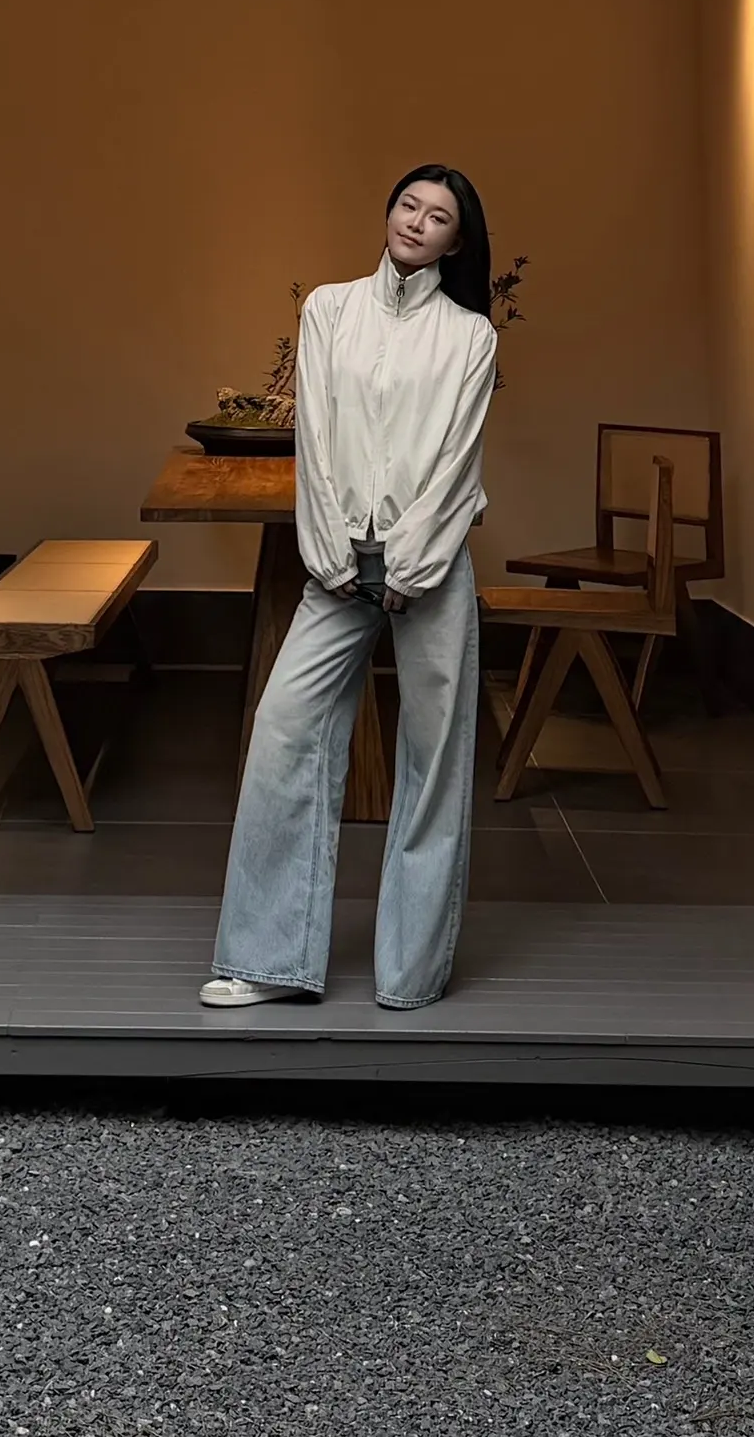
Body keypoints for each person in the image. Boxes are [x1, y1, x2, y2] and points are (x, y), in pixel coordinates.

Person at [201, 165, 498, 1013]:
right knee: (283, 734)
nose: (417, 221)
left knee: (433, 767)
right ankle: (267, 962)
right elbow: (318, 440)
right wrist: (332, 553)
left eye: (438, 216)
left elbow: (457, 463)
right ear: (389, 212)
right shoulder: (328, 309)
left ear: (456, 241)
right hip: (337, 565)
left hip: (429, 571)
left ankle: (411, 972)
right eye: (409, 204)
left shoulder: (470, 336)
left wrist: (410, 566)